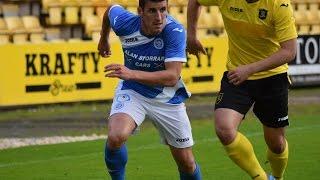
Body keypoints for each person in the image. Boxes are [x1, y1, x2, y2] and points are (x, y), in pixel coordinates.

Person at [187, 0, 297, 180]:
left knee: (276, 144)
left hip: (272, 78)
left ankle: (277, 177)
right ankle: (260, 178)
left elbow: (289, 51)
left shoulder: (278, 4)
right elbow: (195, 1)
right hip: (237, 74)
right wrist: (191, 36)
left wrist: (250, 69)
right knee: (224, 128)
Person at [98, 0, 202, 179]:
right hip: (134, 91)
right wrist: (103, 40)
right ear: (140, 11)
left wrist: (131, 74)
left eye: (163, 10)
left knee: (187, 163)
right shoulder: (125, 23)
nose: (159, 17)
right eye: (152, 11)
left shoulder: (175, 31)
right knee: (116, 136)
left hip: (167, 98)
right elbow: (109, 10)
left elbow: (171, 77)